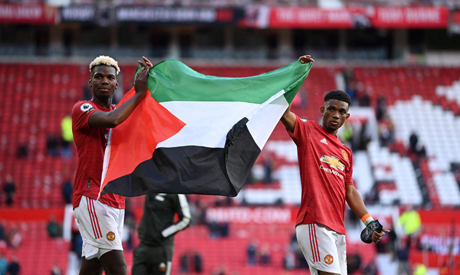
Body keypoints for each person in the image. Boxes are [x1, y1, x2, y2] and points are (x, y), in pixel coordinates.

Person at [280, 55, 389, 275]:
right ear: (323, 110)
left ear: (347, 116)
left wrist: (368, 221)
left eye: (341, 111)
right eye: (331, 109)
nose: (335, 114)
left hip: (338, 230)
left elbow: (350, 190)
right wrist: (296, 74)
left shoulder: (346, 152)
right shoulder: (308, 131)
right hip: (315, 223)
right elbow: (282, 111)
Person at [71, 55, 153, 275]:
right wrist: (138, 93)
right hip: (92, 197)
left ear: (117, 83)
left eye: (110, 77)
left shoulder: (121, 110)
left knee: (92, 268)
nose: (104, 81)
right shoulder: (83, 108)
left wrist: (151, 84)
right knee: (118, 269)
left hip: (117, 200)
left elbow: (145, 121)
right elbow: (112, 120)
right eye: (98, 77)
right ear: (90, 82)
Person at [132, 193, 191, 275]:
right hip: (143, 245)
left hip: (161, 248)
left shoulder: (176, 192)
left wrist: (164, 233)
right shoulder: (151, 184)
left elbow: (186, 219)